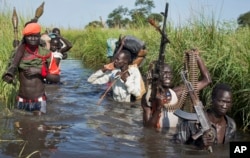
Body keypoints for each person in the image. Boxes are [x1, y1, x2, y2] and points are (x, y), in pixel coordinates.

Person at [141, 50, 211, 128]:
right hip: (157, 137)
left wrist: (197, 58)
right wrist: (158, 108)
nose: (168, 76)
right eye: (164, 73)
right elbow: (148, 128)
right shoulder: (148, 97)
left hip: (173, 137)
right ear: (157, 76)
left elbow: (206, 80)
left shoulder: (177, 93)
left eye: (170, 73)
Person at [2, 22, 60, 114]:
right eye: (29, 36)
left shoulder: (47, 54)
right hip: (21, 100)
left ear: (39, 36)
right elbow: (10, 72)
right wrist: (8, 78)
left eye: (35, 36)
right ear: (24, 38)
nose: (33, 38)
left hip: (39, 101)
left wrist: (40, 71)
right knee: (21, 126)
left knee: (39, 125)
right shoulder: (17, 54)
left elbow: (56, 78)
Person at [173, 83, 236, 150]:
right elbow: (176, 148)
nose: (224, 106)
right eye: (221, 101)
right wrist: (198, 145)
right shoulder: (190, 123)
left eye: (228, 102)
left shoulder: (231, 125)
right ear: (212, 99)